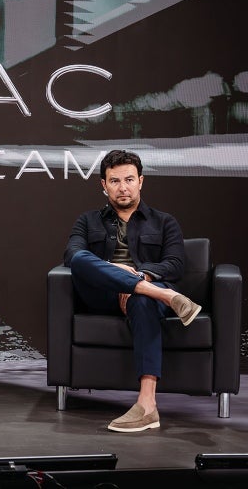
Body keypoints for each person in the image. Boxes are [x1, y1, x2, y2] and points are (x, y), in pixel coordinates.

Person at [63, 149, 201, 433]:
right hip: (103, 297)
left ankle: (147, 405)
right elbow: (72, 254)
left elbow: (174, 265)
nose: (122, 187)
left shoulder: (164, 221)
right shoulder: (88, 221)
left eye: (129, 179)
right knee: (79, 259)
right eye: (114, 181)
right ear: (103, 185)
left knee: (142, 299)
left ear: (141, 181)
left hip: (146, 294)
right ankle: (167, 297)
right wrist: (116, 273)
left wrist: (140, 277)